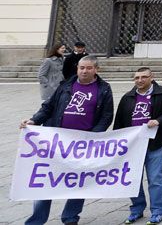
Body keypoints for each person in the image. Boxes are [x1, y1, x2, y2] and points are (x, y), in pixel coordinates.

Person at [22, 55, 114, 225]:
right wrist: (34, 120)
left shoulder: (104, 89)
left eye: (88, 68)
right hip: (57, 144)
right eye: (81, 68)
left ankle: (70, 217)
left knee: (79, 183)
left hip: (83, 145)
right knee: (46, 182)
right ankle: (36, 220)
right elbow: (48, 107)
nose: (84, 71)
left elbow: (106, 116)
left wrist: (93, 136)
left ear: (96, 69)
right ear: (77, 68)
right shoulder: (66, 85)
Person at [115, 67, 162, 225]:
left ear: (151, 77)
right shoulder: (128, 97)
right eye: (136, 78)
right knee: (132, 179)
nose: (140, 80)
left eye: (143, 77)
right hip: (133, 145)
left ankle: (158, 210)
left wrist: (159, 120)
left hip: (153, 143)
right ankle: (137, 208)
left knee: (155, 178)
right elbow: (119, 122)